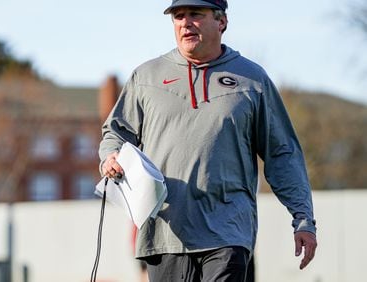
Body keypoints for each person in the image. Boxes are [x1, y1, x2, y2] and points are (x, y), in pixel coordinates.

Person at [98, 0, 318, 281]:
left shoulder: (252, 80)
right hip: (166, 232)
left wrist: (303, 219)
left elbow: (282, 153)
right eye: (178, 16)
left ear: (222, 22)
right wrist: (110, 156)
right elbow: (116, 133)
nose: (185, 23)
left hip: (228, 231)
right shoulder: (146, 77)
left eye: (196, 14)